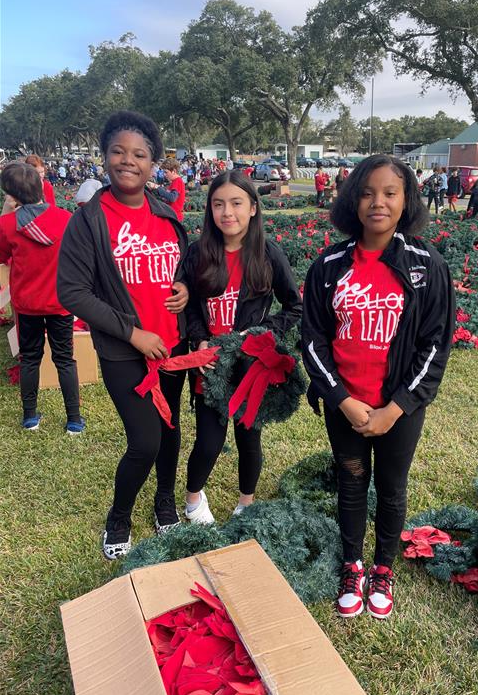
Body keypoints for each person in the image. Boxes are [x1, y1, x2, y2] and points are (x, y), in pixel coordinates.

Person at [301, 155, 455, 620]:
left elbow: (435, 345)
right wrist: (343, 400)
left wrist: (397, 407)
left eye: (390, 192)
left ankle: (383, 568)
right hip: (345, 404)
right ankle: (352, 565)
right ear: (353, 200)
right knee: (351, 484)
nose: (378, 202)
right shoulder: (328, 266)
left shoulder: (426, 266)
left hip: (398, 410)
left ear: (406, 199)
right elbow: (312, 340)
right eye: (367, 192)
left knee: (391, 487)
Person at [57, 110, 190, 560]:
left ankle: (165, 501)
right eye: (118, 151)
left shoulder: (165, 212)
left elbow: (182, 265)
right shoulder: (89, 221)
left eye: (139, 154)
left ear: (154, 162)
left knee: (170, 429)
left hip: (172, 346)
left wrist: (185, 287)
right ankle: (119, 515)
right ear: (104, 157)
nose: (127, 160)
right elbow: (71, 291)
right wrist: (134, 334)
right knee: (145, 440)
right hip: (124, 350)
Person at [182, 170, 302, 523]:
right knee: (208, 441)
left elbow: (294, 305)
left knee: (249, 438)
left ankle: (245, 503)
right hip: (211, 365)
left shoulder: (267, 255)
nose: (227, 212)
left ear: (253, 208)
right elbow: (188, 304)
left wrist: (259, 335)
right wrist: (199, 338)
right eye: (218, 204)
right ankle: (192, 501)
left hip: (250, 369)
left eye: (236, 203)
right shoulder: (198, 253)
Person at [0, 162, 82, 432]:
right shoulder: (65, 218)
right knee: (65, 359)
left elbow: (1, 257)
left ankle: (30, 417)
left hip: (26, 305)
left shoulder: (7, 225)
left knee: (30, 359)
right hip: (60, 303)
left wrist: (6, 212)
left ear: (11, 195)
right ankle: (73, 420)